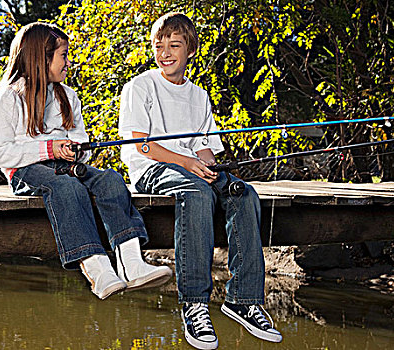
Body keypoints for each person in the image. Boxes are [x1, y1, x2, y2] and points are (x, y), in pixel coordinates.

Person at [118, 12, 282, 349]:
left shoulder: (198, 96)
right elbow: (140, 144)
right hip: (152, 169)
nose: (165, 52)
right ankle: (194, 302)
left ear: (190, 49)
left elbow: (205, 151)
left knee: (241, 193)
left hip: (190, 168)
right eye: (158, 45)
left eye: (174, 45)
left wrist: (214, 169)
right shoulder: (141, 86)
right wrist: (189, 164)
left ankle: (243, 299)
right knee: (196, 193)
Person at [0, 22, 172, 300]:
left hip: (65, 167)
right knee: (67, 188)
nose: (68, 62)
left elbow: (80, 141)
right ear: (42, 57)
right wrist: (49, 148)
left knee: (110, 179)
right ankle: (97, 270)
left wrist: (76, 151)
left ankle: (131, 264)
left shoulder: (67, 96)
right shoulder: (10, 97)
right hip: (26, 171)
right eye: (63, 55)